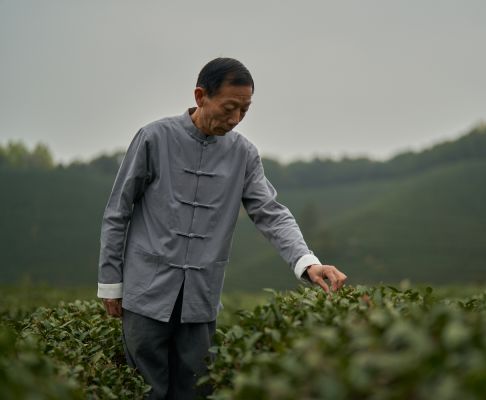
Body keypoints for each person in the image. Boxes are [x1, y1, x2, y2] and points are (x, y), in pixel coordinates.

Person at [97, 57, 347, 399]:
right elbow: (118, 210)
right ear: (201, 96)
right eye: (229, 107)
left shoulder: (243, 154)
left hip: (200, 297)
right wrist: (111, 283)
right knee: (144, 390)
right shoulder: (154, 138)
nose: (235, 119)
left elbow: (270, 212)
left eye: (244, 110)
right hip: (145, 294)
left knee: (196, 390)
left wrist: (307, 261)